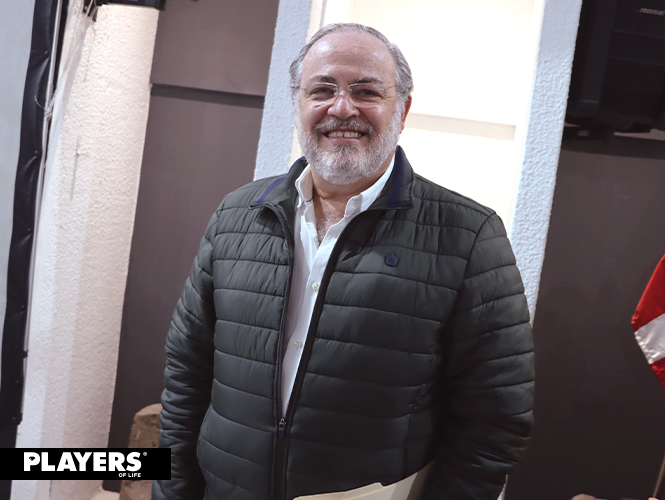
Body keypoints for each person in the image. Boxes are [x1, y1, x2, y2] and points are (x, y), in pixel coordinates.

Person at [153, 23, 534, 500]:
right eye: (322, 90)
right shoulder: (236, 216)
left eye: (366, 91)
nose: (342, 108)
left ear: (402, 109)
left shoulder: (469, 236)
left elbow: (496, 417)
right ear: (298, 103)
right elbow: (186, 376)